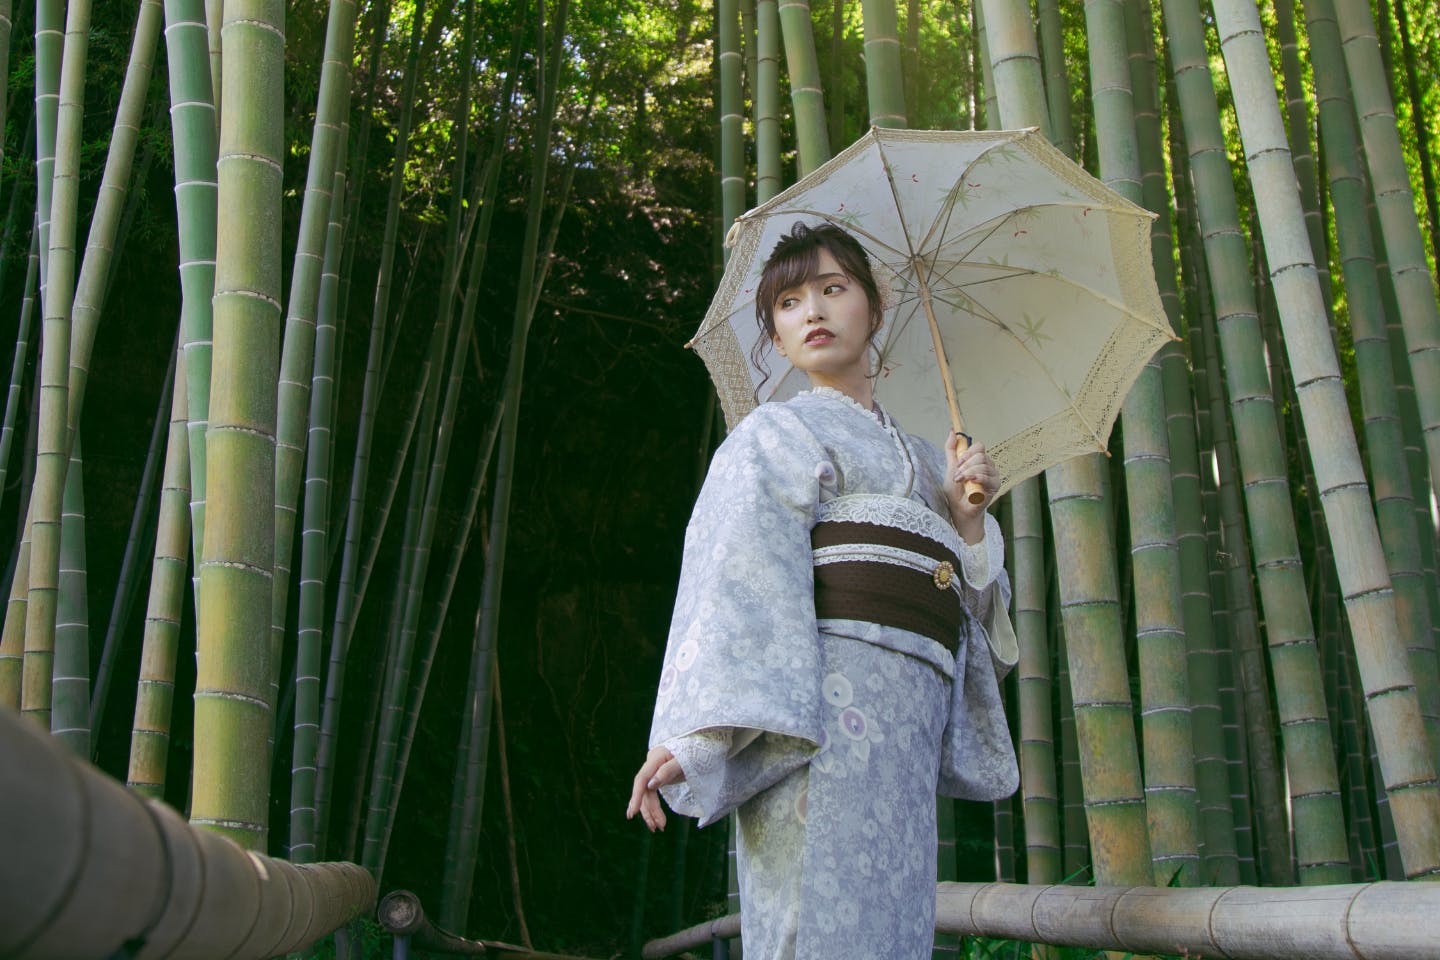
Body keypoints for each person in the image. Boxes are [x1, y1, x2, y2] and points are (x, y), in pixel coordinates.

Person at [626, 221, 1018, 960]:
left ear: (876, 305)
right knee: (814, 924)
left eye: (834, 290)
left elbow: (969, 635)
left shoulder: (932, 463)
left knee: (894, 926)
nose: (812, 312)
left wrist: (966, 525)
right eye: (788, 303)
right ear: (775, 336)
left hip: (908, 724)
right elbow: (739, 584)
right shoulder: (774, 435)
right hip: (821, 715)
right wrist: (697, 738)